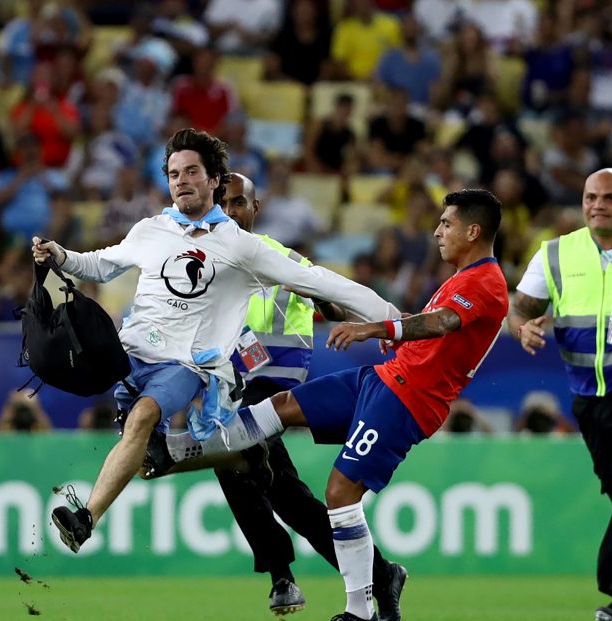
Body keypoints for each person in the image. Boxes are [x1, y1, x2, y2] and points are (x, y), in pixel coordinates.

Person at [31, 127, 399, 557]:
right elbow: (100, 265)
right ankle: (239, 457)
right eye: (173, 174)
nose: (181, 181)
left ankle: (86, 519)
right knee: (150, 459)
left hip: (189, 367)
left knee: (142, 418)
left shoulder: (241, 247)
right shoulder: (151, 230)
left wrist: (393, 319)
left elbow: (318, 281)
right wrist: (60, 256)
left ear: (213, 181)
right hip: (133, 355)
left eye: (191, 172)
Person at [161, 188, 508, 621]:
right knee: (280, 410)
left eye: (447, 223)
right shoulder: (462, 277)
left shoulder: (485, 280)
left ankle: (360, 614)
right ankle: (193, 449)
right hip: (385, 378)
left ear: (473, 230)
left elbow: (441, 323)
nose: (438, 231)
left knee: (339, 493)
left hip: (408, 398)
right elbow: (433, 331)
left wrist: (374, 327)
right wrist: (396, 336)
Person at [214, 172, 408, 621]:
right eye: (222, 203)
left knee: (233, 462)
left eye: (238, 202)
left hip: (274, 388)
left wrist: (314, 290)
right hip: (228, 388)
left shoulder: (283, 259)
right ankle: (382, 576)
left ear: (255, 209)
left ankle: (282, 575)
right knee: (286, 493)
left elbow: (334, 306)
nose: (230, 211)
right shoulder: (205, 266)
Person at [507, 168, 612, 621]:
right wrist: (522, 326)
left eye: (609, 197)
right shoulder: (556, 254)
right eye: (590, 197)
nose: (598, 205)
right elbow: (520, 307)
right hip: (588, 401)